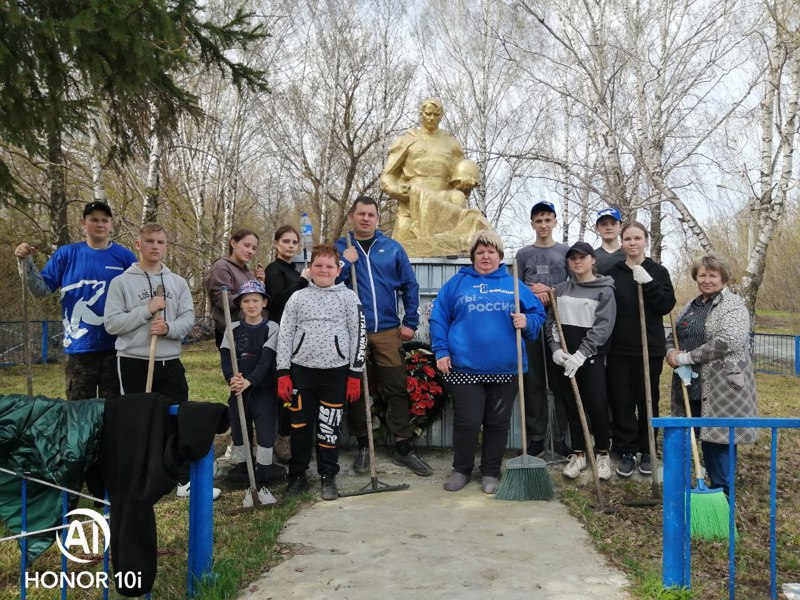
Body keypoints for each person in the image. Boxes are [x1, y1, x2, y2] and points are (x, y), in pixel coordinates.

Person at [104, 223, 218, 499]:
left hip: (169, 360)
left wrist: (168, 329)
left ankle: (181, 479)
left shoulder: (177, 283)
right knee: (136, 419)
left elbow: (188, 319)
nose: (156, 246)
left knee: (178, 418)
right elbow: (111, 323)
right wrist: (147, 310)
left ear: (166, 246)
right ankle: (138, 477)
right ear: (138, 244)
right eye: (150, 241)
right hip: (133, 360)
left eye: (161, 242)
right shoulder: (121, 283)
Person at [430, 230, 545, 493]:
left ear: (500, 256)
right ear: (472, 257)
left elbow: (537, 315)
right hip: (464, 366)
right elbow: (439, 316)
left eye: (491, 251)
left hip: (506, 367)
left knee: (497, 422)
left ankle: (491, 472)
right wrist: (441, 351)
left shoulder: (514, 285)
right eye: (480, 252)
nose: (485, 256)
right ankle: (461, 470)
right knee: (467, 421)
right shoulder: (457, 284)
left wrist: (527, 321)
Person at [334, 196, 432, 477]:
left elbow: (410, 286)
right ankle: (365, 446)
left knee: (395, 387)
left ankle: (403, 446)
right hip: (354, 330)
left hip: (388, 329)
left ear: (377, 218)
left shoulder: (391, 248)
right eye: (361, 214)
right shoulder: (341, 248)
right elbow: (326, 282)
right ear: (352, 216)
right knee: (357, 390)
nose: (366, 219)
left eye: (371, 215)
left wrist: (410, 322)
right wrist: (343, 262)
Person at [14, 200, 136, 400]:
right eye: (94, 219)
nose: (100, 224)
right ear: (83, 223)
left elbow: (137, 296)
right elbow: (41, 290)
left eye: (105, 220)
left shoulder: (125, 257)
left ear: (111, 224)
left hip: (118, 347)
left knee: (115, 412)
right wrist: (24, 263)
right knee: (79, 412)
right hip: (79, 348)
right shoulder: (66, 254)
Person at [276, 244, 366, 500]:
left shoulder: (348, 297)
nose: (324, 270)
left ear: (338, 270)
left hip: (335, 374)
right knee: (300, 427)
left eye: (329, 266)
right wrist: (283, 371)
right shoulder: (298, 298)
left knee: (329, 427)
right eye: (318, 266)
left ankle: (328, 476)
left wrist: (354, 374)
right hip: (301, 373)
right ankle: (298, 476)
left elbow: (359, 336)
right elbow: (284, 335)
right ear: (310, 269)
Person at [666, 252, 758, 497]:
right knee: (687, 437)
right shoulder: (691, 306)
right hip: (689, 385)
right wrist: (671, 353)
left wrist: (687, 358)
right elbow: (673, 336)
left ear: (724, 278)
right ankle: (684, 491)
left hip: (721, 386)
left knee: (718, 440)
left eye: (713, 275)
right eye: (702, 275)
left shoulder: (733, 306)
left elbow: (728, 341)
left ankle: (722, 493)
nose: (707, 280)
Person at [607, 222, 676, 478]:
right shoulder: (614, 272)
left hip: (650, 348)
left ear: (645, 240)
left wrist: (649, 283)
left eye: (637, 238)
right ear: (622, 242)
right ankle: (626, 450)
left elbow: (665, 305)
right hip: (619, 349)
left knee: (647, 399)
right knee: (622, 401)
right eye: (628, 239)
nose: (632, 243)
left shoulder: (658, 271)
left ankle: (648, 449)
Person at [380, 98, 491, 254]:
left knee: (458, 198)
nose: (431, 118)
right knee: (400, 251)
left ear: (441, 116)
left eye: (436, 114)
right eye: (428, 114)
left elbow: (457, 179)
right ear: (421, 114)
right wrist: (395, 189)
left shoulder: (452, 144)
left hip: (442, 195)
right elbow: (388, 175)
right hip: (413, 198)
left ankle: (450, 245)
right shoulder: (407, 140)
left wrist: (465, 184)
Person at [545, 242, 616, 480]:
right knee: (572, 407)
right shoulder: (561, 289)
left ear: (592, 260)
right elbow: (552, 322)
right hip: (566, 359)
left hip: (590, 358)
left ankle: (602, 453)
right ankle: (579, 454)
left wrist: (582, 354)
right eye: (572, 258)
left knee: (596, 405)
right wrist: (556, 350)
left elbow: (603, 327)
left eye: (582, 257)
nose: (577, 262)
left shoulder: (604, 290)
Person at [514, 201, 571, 457]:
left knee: (561, 379)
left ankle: (562, 437)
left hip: (559, 322)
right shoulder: (523, 254)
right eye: (539, 221)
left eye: (548, 220)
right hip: (532, 324)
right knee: (534, 379)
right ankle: (537, 437)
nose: (544, 225)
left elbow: (574, 284)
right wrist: (532, 291)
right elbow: (515, 287)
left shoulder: (565, 252)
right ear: (532, 224)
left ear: (555, 222)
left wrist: (551, 291)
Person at [220, 279, 286, 490]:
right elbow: (226, 356)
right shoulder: (233, 328)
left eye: (256, 300)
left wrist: (250, 381)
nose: (251, 305)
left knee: (265, 430)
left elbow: (266, 360)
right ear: (240, 304)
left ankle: (264, 469)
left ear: (264, 303)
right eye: (246, 301)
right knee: (240, 428)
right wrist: (233, 378)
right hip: (238, 389)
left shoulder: (272, 328)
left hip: (263, 389)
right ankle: (242, 468)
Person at [265, 225, 312, 463]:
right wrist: (303, 282)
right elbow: (277, 300)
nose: (291, 246)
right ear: (276, 244)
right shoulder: (274, 270)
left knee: (296, 388)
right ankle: (281, 438)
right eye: (286, 241)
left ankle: (293, 435)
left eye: (294, 242)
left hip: (297, 336)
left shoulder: (293, 269)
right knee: (284, 389)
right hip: (280, 335)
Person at [203, 229, 266, 349]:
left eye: (254, 248)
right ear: (233, 243)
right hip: (231, 332)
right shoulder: (221, 267)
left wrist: (260, 284)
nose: (250, 251)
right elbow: (223, 300)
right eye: (246, 245)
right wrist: (249, 297)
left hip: (251, 330)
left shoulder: (249, 272)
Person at [594, 207, 625, 275]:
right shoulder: (591, 258)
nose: (609, 228)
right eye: (604, 224)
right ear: (596, 228)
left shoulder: (629, 256)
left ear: (621, 227)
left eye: (613, 224)